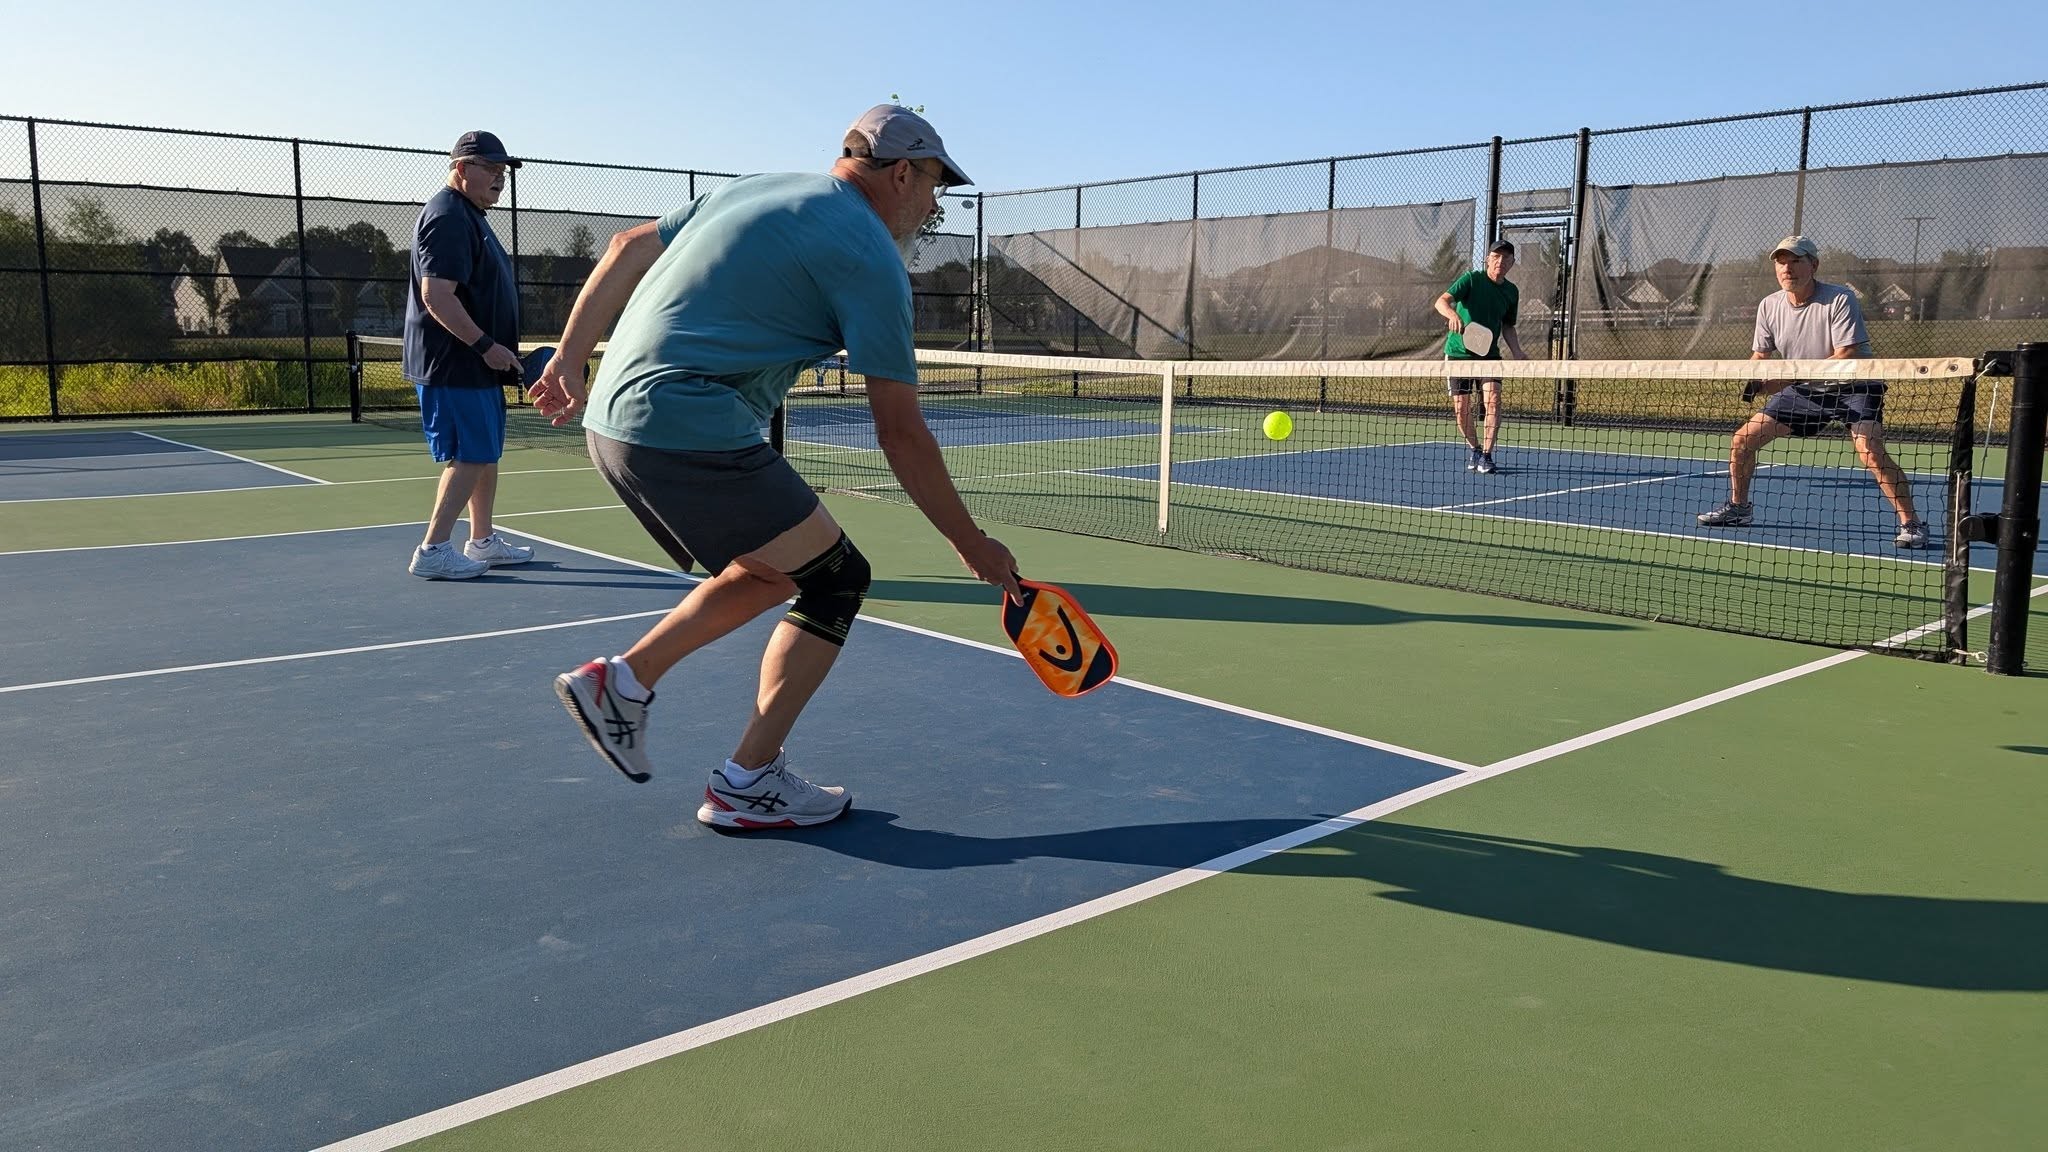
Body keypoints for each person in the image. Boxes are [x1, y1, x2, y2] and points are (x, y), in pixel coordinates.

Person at [528, 105, 1021, 830]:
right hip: (688, 423)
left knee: (771, 570)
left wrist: (570, 356)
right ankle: (746, 781)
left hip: (614, 422)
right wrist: (972, 545)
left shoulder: (752, 188)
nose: (935, 204)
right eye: (936, 185)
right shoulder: (870, 256)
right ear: (902, 173)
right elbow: (901, 432)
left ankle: (623, 683)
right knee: (838, 578)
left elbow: (629, 245)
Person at [1697, 235, 1927, 548]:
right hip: (1806, 389)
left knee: (1870, 451)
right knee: (1742, 440)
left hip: (1855, 385)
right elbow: (1760, 356)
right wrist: (1751, 375)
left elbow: (1847, 354)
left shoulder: (1839, 298)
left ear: (1813, 265)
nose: (1787, 268)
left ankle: (1911, 522)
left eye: (1795, 261)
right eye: (1781, 262)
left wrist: (1784, 381)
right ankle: (1739, 508)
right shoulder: (1769, 306)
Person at [401, 130, 536, 579]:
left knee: (485, 453)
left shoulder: (470, 214)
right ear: (461, 169)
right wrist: (485, 345)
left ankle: (481, 541)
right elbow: (437, 295)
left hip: (476, 363)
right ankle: (433, 550)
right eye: (491, 169)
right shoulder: (448, 216)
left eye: (504, 172)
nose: (500, 178)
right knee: (470, 455)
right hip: (455, 363)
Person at [1435, 240, 1526, 474]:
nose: (1500, 261)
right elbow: (1441, 301)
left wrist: (1516, 351)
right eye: (1496, 256)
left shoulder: (1511, 291)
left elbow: (1507, 326)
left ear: (1512, 263)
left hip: (1489, 356)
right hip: (1458, 354)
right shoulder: (1471, 279)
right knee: (1461, 408)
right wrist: (1452, 313)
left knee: (1493, 400)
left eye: (1506, 258)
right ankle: (1474, 448)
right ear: (1487, 259)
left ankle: (1486, 454)